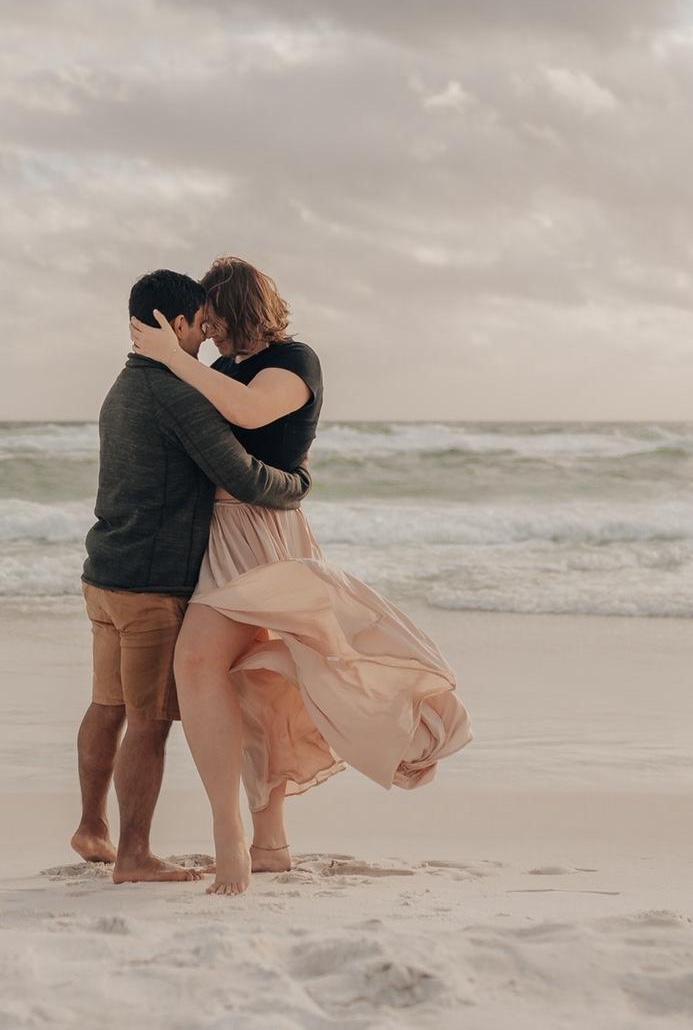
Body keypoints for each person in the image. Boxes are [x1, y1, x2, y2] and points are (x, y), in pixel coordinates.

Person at [130, 256, 473, 895]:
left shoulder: (294, 361)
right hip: (221, 535)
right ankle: (270, 844)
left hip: (265, 537)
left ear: (237, 309)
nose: (207, 328)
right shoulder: (219, 368)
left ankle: (230, 837)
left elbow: (250, 414)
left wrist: (175, 359)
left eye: (213, 316)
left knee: (199, 665)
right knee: (253, 686)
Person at [74, 268, 312, 884]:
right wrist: (297, 483)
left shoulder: (123, 386)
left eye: (215, 322)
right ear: (176, 323)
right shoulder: (179, 393)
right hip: (151, 582)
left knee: (108, 705)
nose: (207, 336)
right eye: (201, 324)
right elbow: (244, 476)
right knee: (149, 719)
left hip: (104, 571)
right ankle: (133, 855)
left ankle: (92, 827)